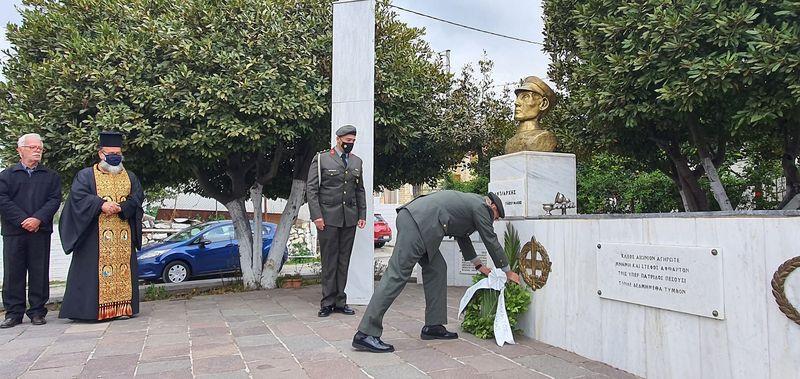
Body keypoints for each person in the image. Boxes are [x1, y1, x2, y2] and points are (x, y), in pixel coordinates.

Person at [352, 190, 520, 353]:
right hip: (418, 223)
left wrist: (478, 265)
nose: (493, 221)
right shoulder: (482, 208)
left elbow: (462, 236)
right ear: (494, 208)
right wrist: (507, 271)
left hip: (422, 224)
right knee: (397, 275)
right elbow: (490, 239)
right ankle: (366, 333)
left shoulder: (471, 205)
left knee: (437, 269)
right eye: (495, 218)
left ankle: (433, 325)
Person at [59, 131, 144, 321]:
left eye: (118, 153)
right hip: (94, 237)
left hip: (122, 235)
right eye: (111, 153)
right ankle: (91, 312)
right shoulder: (86, 175)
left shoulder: (130, 176)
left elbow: (138, 197)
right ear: (101, 154)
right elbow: (78, 198)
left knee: (123, 270)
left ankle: (122, 308)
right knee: (91, 275)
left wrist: (122, 207)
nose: (115, 157)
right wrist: (101, 205)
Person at [0, 133, 61, 328]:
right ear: (20, 150)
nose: (37, 151)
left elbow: (54, 200)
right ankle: (13, 313)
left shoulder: (50, 176)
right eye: (33, 147)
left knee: (39, 271)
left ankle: (37, 311)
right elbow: (3, 200)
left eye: (40, 148)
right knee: (13, 272)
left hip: (39, 230)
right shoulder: (7, 175)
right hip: (14, 231)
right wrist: (23, 220)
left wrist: (37, 219)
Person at [306, 125, 366, 317]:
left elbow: (360, 190)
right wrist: (317, 216)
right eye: (348, 141)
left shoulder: (357, 161)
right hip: (328, 218)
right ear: (339, 139)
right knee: (329, 261)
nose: (351, 145)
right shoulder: (322, 158)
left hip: (349, 218)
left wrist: (362, 215)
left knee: (343, 261)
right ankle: (327, 303)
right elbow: (312, 190)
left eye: (353, 142)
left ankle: (341, 301)